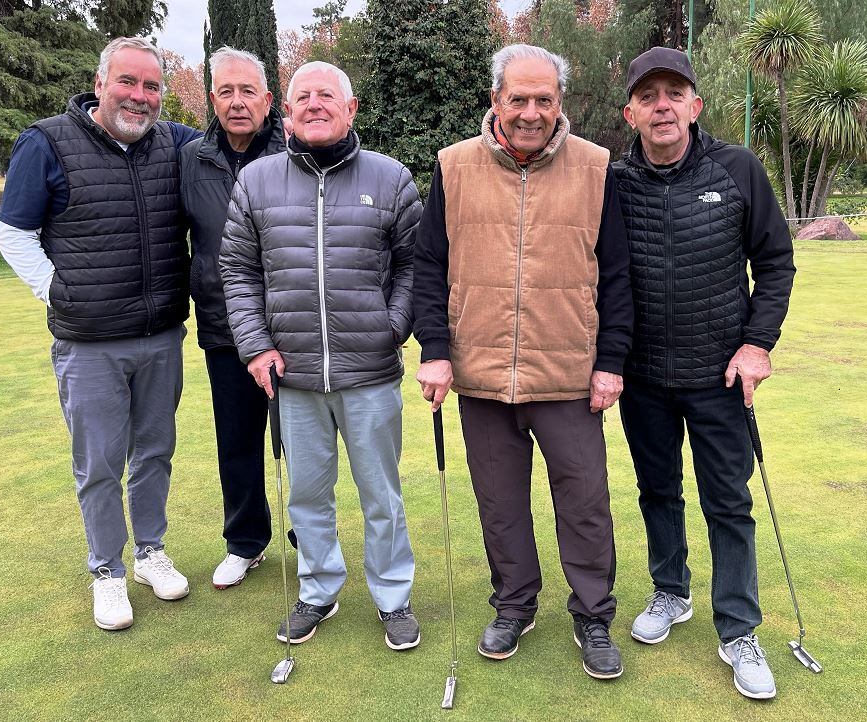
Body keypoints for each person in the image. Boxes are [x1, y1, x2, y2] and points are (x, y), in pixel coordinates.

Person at [413, 44, 633, 679]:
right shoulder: (453, 167)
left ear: (558, 103)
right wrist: (434, 350)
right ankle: (514, 604)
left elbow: (616, 275)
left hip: (568, 374)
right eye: (520, 98)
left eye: (544, 99)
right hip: (480, 374)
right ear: (496, 101)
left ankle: (593, 614)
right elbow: (431, 266)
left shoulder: (596, 167)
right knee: (500, 502)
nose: (532, 112)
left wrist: (610, 361)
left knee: (585, 500)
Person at [0, 36, 201, 631]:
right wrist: (58, 291)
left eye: (152, 86)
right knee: (101, 463)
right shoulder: (46, 143)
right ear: (101, 82)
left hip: (161, 335)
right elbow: (14, 233)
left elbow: (232, 152)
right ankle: (107, 571)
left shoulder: (174, 142)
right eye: (128, 83)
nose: (139, 97)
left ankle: (149, 552)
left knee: (155, 452)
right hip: (89, 343)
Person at [219, 62, 423, 650]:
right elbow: (237, 270)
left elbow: (414, 265)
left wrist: (393, 327)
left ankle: (392, 595)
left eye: (326, 95)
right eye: (302, 96)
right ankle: (318, 589)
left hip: (370, 372)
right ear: (287, 113)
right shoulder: (256, 181)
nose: (313, 104)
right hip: (294, 376)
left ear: (350, 107)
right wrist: (255, 346)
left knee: (380, 494)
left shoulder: (389, 178)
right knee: (306, 494)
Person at [613, 47, 796, 700]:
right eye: (648, 95)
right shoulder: (612, 181)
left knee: (728, 503)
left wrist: (757, 344)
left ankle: (738, 628)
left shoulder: (737, 169)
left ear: (694, 106)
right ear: (630, 111)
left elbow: (775, 262)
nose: (661, 104)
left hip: (721, 375)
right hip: (642, 378)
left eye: (674, 92)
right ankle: (670, 592)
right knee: (656, 491)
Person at [180, 47, 286, 590]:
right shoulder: (191, 160)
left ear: (268, 99)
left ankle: (308, 541)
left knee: (301, 445)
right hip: (225, 329)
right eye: (226, 91)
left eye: (248, 91)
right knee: (238, 441)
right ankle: (246, 541)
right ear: (213, 99)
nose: (238, 102)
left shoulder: (298, 154)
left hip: (297, 328)